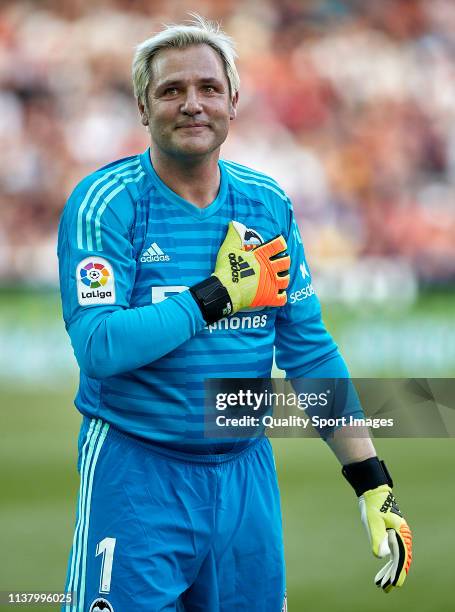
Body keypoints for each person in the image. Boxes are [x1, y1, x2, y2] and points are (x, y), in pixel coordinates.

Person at [57, 15, 412, 612]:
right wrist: (219, 293)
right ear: (144, 108)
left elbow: (308, 350)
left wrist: (373, 480)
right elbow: (100, 345)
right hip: (137, 472)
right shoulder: (106, 203)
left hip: (245, 478)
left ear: (233, 102)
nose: (192, 104)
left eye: (208, 88)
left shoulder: (266, 203)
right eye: (172, 90)